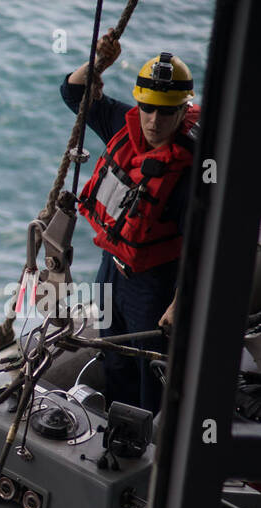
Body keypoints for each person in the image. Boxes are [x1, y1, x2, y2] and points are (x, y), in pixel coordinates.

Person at [63, 34, 199, 412]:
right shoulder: (127, 127)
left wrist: (178, 302)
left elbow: (202, 249)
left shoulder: (187, 174)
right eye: (148, 108)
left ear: (181, 111)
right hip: (112, 270)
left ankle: (149, 439)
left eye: (166, 112)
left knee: (151, 366)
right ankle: (117, 427)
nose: (155, 121)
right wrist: (99, 64)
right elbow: (74, 93)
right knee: (112, 352)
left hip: (153, 284)